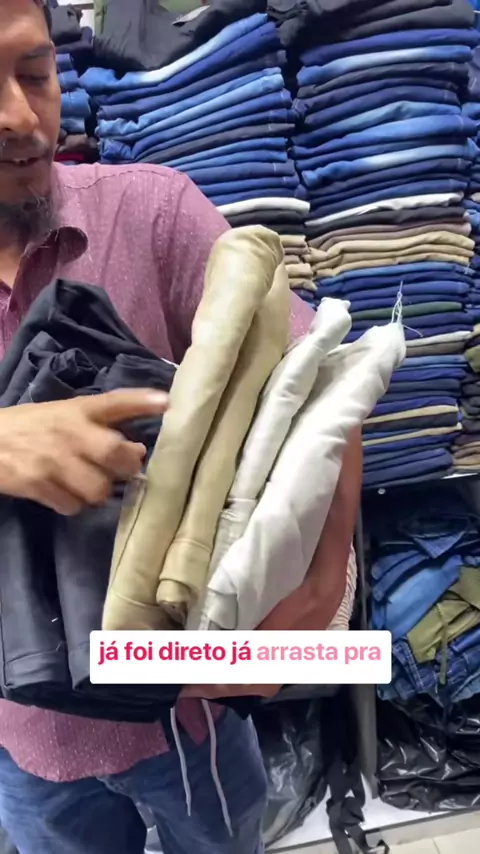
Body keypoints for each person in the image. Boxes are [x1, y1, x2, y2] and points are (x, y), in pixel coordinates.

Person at [0, 1, 362, 852]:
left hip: (182, 709)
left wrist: (322, 591)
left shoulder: (152, 214)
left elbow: (319, 381)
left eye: (35, 72)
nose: (19, 116)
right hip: (20, 733)